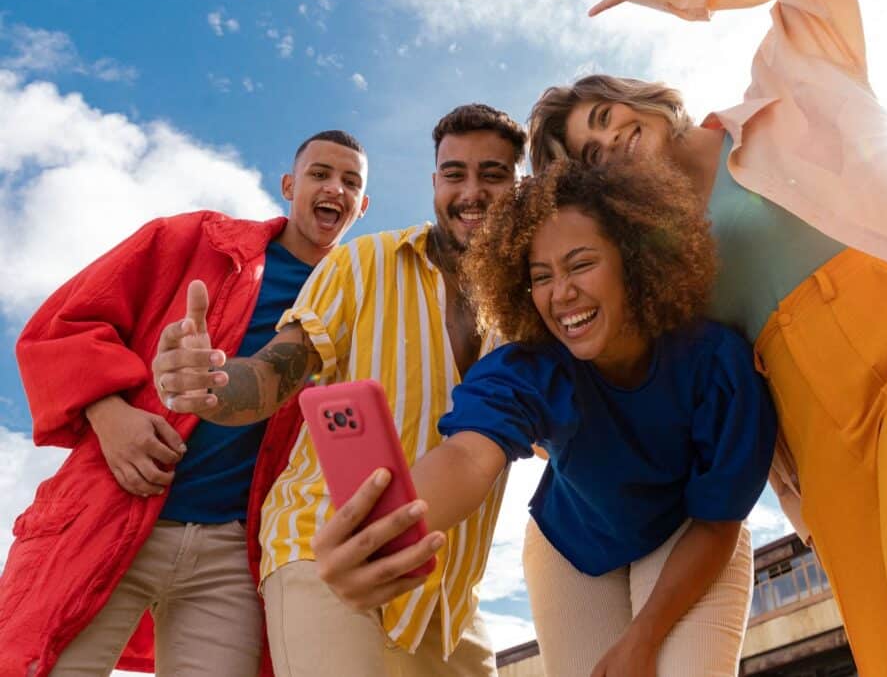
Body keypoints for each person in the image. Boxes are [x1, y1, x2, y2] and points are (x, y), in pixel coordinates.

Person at [527, 0, 887, 676]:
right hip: (817, 436)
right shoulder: (661, 276)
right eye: (591, 154)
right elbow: (603, 343)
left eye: (604, 115)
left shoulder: (788, 88)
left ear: (637, 98)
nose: (611, 138)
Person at [316, 159, 777, 677]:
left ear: (634, 259)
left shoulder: (717, 362)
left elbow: (718, 520)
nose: (561, 293)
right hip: (572, 549)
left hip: (690, 535)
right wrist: (383, 532)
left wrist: (642, 639)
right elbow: (468, 455)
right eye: (541, 277)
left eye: (581, 265)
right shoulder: (529, 367)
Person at [152, 104, 527, 677]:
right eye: (455, 174)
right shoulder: (363, 261)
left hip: (449, 598)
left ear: (521, 186)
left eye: (493, 175)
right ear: (434, 183)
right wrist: (214, 385)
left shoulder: (533, 309)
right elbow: (278, 371)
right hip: (321, 546)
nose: (471, 192)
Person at [0, 130, 369, 677]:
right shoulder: (195, 240)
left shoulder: (357, 298)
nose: (334, 188)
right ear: (290, 185)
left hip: (233, 555)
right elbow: (63, 326)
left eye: (351, 182)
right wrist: (109, 413)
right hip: (117, 508)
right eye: (320, 174)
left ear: (363, 206)